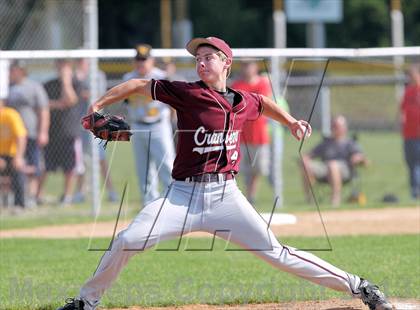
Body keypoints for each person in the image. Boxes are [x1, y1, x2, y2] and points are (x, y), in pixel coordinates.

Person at [58, 37, 392, 310]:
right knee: (128, 240)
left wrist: (290, 121)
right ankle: (86, 302)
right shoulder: (186, 93)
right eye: (197, 58)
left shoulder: (243, 100)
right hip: (182, 197)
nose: (201, 63)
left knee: (278, 253)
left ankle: (360, 287)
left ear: (225, 63)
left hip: (226, 198)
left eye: (208, 57)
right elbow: (137, 84)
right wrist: (97, 106)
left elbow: (261, 102)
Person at [122, 44, 175, 205]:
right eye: (138, 60)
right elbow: (125, 103)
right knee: (143, 170)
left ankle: (173, 201)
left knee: (167, 165)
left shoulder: (161, 77)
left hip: (159, 125)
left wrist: (172, 121)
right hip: (138, 126)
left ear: (151, 61)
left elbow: (173, 102)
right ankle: (149, 205)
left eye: (144, 60)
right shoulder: (128, 79)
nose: (141, 64)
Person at [71, 58, 119, 203]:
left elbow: (98, 96)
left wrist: (81, 86)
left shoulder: (97, 75)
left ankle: (111, 191)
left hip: (96, 124)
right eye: (78, 61)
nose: (80, 63)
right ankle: (80, 192)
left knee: (100, 159)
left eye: (82, 60)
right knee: (81, 161)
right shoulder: (75, 76)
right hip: (79, 124)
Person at [39, 59, 82, 206]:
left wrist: (66, 82)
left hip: (69, 131)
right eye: (59, 65)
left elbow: (70, 100)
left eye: (65, 65)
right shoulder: (48, 84)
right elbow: (43, 104)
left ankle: (67, 196)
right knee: (45, 166)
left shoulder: (76, 83)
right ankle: (38, 194)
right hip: (51, 130)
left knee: (69, 167)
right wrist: (58, 104)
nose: (62, 68)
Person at [7, 60, 50, 208]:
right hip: (10, 136)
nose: (11, 72)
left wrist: (43, 131)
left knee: (33, 166)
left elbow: (43, 110)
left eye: (14, 69)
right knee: (13, 166)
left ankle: (31, 196)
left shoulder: (33, 86)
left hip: (30, 133)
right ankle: (15, 197)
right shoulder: (7, 87)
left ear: (21, 71)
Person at [300, 115, 368, 207]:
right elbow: (309, 155)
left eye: (336, 126)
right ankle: (310, 200)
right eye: (333, 126)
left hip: (345, 171)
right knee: (306, 165)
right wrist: (305, 159)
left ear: (344, 128)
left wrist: (358, 158)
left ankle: (335, 200)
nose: (333, 128)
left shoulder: (350, 143)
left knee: (332, 165)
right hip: (325, 169)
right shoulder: (326, 142)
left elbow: (361, 158)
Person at [231, 60, 271, 205]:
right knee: (242, 169)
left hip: (259, 135)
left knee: (259, 168)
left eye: (249, 64)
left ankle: (251, 195)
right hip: (241, 136)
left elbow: (259, 105)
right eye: (244, 65)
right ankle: (246, 197)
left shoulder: (262, 83)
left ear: (255, 67)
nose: (246, 68)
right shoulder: (237, 85)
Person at [0, 98, 27, 209]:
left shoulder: (10, 114)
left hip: (13, 153)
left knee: (17, 171)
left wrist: (19, 157)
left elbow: (21, 137)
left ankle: (19, 204)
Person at [400, 64, 420, 200]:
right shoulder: (408, 91)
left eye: (412, 74)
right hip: (409, 134)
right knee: (412, 165)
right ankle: (415, 194)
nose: (410, 77)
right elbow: (402, 110)